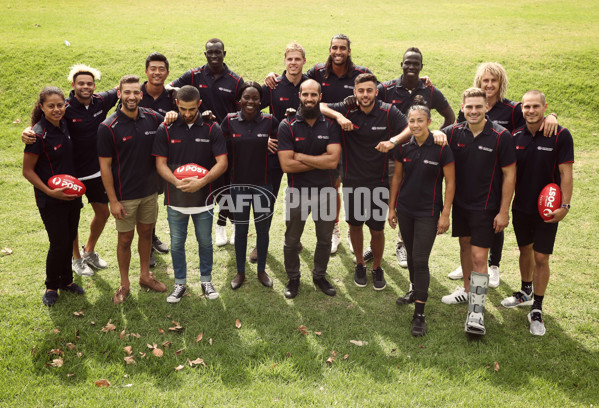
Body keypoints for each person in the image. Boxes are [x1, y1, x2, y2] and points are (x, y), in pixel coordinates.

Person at [448, 62, 559, 287]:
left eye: (493, 81)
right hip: (472, 175)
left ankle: (493, 264)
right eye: (485, 80)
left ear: (501, 83)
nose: (489, 85)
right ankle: (471, 264)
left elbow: (533, 117)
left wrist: (552, 116)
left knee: (494, 221)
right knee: (472, 232)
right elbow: (459, 133)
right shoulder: (471, 106)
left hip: (499, 175)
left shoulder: (512, 109)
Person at [266, 34, 373, 254]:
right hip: (323, 138)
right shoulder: (317, 72)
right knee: (331, 186)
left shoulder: (361, 73)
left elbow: (380, 91)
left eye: (342, 48)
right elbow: (297, 79)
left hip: (354, 141)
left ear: (349, 51)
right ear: (330, 49)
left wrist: (422, 81)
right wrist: (272, 76)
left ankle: (355, 232)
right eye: (334, 47)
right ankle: (334, 229)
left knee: (353, 188)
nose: (338, 52)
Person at [21, 65, 119, 277]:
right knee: (71, 220)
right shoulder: (62, 107)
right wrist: (28, 130)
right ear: (73, 85)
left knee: (103, 213)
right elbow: (43, 121)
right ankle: (76, 259)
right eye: (81, 83)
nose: (85, 86)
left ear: (94, 85)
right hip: (70, 174)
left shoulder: (102, 100)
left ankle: (89, 251)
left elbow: (123, 88)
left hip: (95, 171)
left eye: (89, 83)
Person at [363, 47, 456, 270]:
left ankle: (401, 244)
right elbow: (366, 99)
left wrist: (435, 135)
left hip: (414, 156)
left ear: (422, 67)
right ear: (401, 64)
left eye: (416, 63)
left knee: (406, 199)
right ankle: (373, 242)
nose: (411, 67)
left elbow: (450, 116)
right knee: (383, 197)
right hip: (386, 153)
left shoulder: (430, 91)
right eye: (408, 63)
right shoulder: (386, 88)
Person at [320, 73, 408, 290]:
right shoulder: (347, 108)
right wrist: (339, 117)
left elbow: (408, 129)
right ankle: (360, 263)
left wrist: (392, 141)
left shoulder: (388, 112)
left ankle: (377, 267)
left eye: (369, 90)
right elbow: (321, 106)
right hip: (353, 181)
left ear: (376, 92)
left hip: (379, 182)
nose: (365, 95)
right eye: (361, 91)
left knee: (377, 230)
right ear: (355, 92)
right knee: (355, 225)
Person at [440, 87, 516, 335]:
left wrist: (504, 211)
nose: (473, 111)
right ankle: (466, 290)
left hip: (486, 208)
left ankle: (477, 311)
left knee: (480, 259)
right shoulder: (453, 133)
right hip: (461, 206)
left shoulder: (500, 136)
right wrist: (434, 133)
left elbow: (509, 174)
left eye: (478, 107)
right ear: (462, 107)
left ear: (486, 108)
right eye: (469, 107)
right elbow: (428, 137)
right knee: (464, 248)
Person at [500, 90, 573, 336]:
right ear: (522, 110)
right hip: (521, 206)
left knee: (541, 258)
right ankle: (525, 291)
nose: (531, 111)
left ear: (544, 107)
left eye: (535, 107)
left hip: (548, 209)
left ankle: (538, 308)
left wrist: (565, 206)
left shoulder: (560, 135)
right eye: (526, 107)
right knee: (525, 250)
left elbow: (566, 174)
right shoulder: (515, 136)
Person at [153, 85, 227, 303]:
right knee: (177, 244)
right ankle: (180, 284)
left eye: (191, 109)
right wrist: (176, 182)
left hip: (204, 200)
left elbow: (222, 163)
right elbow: (160, 163)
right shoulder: (165, 129)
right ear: (176, 104)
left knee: (204, 242)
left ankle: (206, 281)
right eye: (183, 109)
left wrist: (202, 182)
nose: (187, 114)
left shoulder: (212, 128)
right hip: (176, 200)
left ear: (199, 105)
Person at [97, 75, 167, 305]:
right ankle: (124, 283)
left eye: (136, 92)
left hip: (149, 193)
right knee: (125, 239)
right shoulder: (108, 127)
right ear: (119, 93)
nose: (132, 96)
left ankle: (145, 275)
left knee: (147, 233)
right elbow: (105, 167)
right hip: (124, 196)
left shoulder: (152, 117)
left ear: (141, 94)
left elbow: (171, 123)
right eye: (127, 92)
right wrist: (113, 201)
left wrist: (173, 115)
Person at [388, 102, 455, 336]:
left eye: (420, 120)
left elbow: (451, 183)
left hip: (428, 212)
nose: (415, 125)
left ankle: (419, 314)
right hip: (405, 210)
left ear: (429, 122)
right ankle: (414, 290)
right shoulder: (403, 148)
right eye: (412, 121)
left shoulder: (441, 148)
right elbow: (396, 179)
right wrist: (392, 208)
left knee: (419, 259)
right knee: (411, 255)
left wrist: (445, 214)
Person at [170, 39, 244, 247]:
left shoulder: (235, 81)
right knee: (214, 184)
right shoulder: (193, 75)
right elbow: (171, 88)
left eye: (217, 52)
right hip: (202, 139)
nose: (214, 56)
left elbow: (245, 106)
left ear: (224, 53)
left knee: (230, 184)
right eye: (210, 52)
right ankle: (220, 224)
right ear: (205, 54)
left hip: (228, 141)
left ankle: (230, 222)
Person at [277, 79, 341, 298]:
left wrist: (301, 156)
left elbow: (333, 162)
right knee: (292, 240)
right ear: (300, 96)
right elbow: (286, 165)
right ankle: (293, 279)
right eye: (305, 95)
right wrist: (319, 159)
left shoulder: (331, 124)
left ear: (320, 97)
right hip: (297, 192)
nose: (309, 99)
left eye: (314, 95)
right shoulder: (287, 125)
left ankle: (319, 276)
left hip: (326, 192)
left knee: (324, 239)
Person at [22, 86, 85, 306]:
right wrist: (49, 191)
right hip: (50, 199)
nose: (56, 109)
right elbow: (27, 171)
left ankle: (66, 281)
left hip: (71, 196)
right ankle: (51, 285)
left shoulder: (65, 124)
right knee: (58, 242)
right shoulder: (37, 135)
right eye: (51, 106)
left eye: (60, 105)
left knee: (69, 238)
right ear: (42, 107)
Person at [254, 41, 309, 264]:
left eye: (297, 59)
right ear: (284, 61)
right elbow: (252, 112)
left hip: (303, 151)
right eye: (290, 59)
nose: (293, 63)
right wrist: (262, 138)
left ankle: (294, 239)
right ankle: (260, 244)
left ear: (304, 61)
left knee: (299, 199)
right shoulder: (273, 85)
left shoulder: (311, 84)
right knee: (267, 198)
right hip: (275, 149)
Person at [221, 82, 279, 290]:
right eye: (247, 97)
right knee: (241, 229)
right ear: (240, 99)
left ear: (261, 101)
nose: (250, 102)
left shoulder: (271, 121)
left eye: (255, 98)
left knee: (263, 230)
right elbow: (219, 147)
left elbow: (282, 145)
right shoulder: (229, 121)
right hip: (238, 186)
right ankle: (240, 272)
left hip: (263, 186)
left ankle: (262, 270)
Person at [139, 52, 177, 265]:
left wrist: (176, 115)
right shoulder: (135, 93)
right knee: (144, 202)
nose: (157, 72)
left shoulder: (172, 97)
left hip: (162, 158)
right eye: (153, 68)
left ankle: (151, 237)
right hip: (139, 159)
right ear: (146, 71)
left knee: (153, 201)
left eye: (161, 69)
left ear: (167, 73)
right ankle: (147, 246)